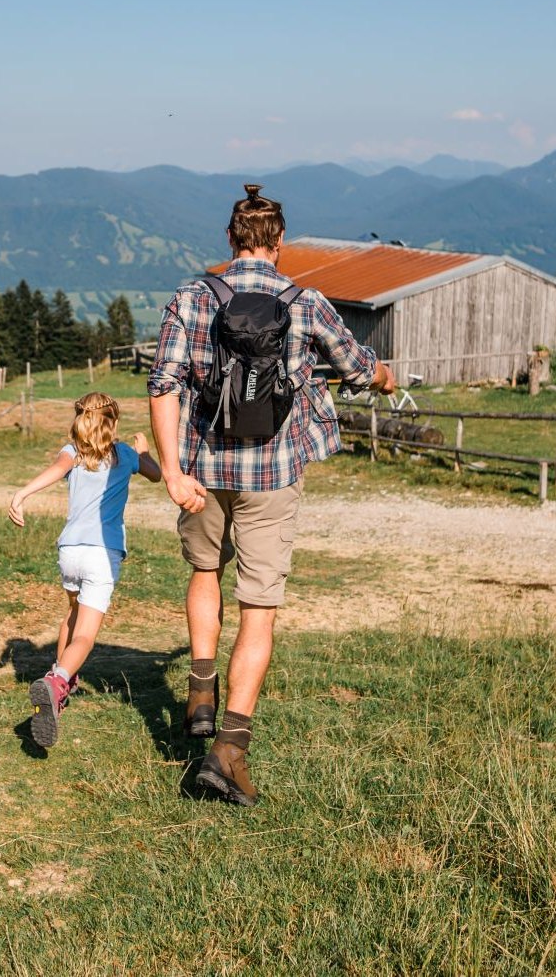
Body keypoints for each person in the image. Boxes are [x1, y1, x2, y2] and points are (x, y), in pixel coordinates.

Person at [149, 184, 395, 806]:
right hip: (272, 473)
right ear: (279, 243)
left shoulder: (191, 298)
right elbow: (359, 366)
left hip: (202, 472)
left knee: (205, 569)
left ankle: (199, 692)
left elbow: (162, 385)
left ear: (230, 241)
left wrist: (175, 472)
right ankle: (227, 752)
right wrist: (385, 376)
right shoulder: (305, 302)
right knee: (258, 607)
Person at [7, 392, 163, 748]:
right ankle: (58, 680)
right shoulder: (125, 454)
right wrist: (144, 452)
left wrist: (22, 494)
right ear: (115, 421)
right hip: (101, 554)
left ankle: (60, 684)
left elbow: (55, 471)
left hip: (70, 550)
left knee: (72, 613)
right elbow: (156, 476)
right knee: (85, 636)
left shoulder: (72, 452)